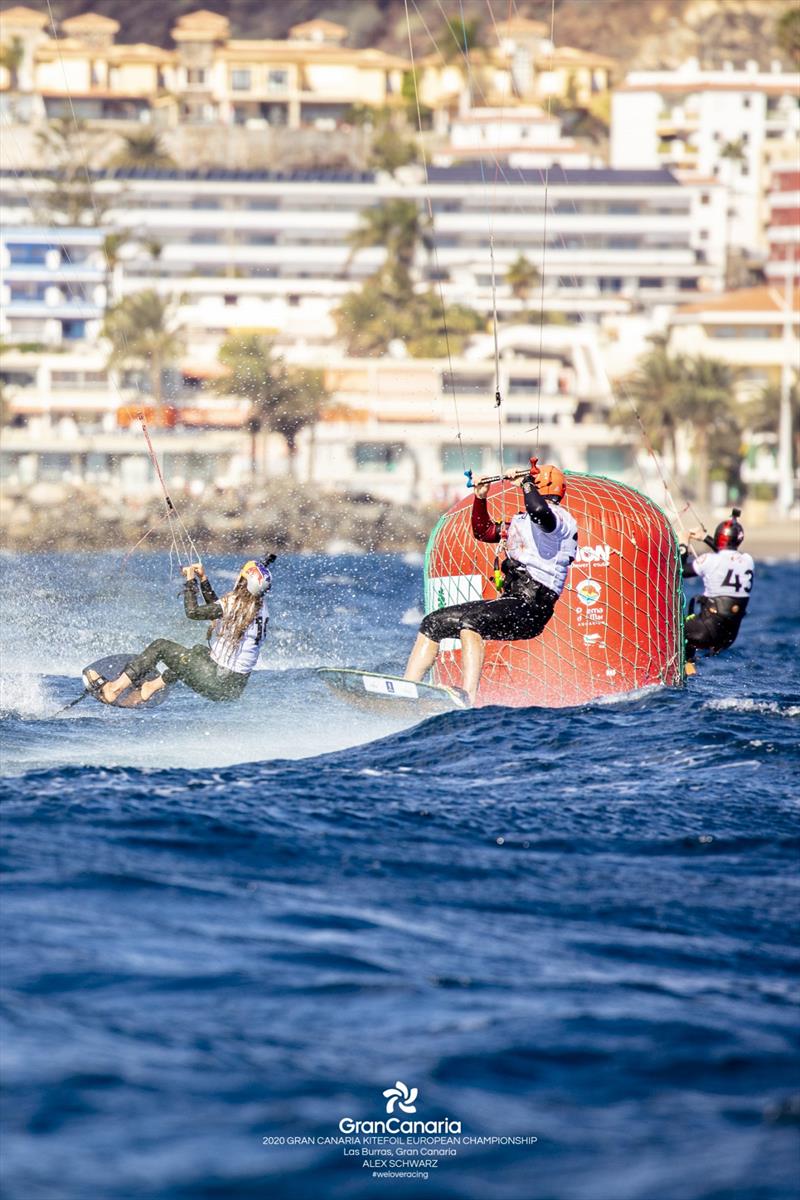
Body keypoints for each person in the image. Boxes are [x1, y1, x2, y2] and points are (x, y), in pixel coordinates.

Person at [404, 460, 578, 705]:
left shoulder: (561, 521)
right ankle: (407, 691)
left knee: (472, 622)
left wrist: (525, 483)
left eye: (532, 483)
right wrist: (480, 497)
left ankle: (468, 695)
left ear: (540, 486)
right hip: (512, 601)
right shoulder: (521, 522)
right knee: (432, 623)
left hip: (532, 608)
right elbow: (483, 531)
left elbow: (541, 513)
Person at [85, 556, 275, 706]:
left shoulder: (236, 604)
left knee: (161, 646)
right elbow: (217, 612)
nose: (237, 580)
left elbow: (193, 612)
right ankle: (149, 688)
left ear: (245, 583)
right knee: (197, 652)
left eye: (241, 577)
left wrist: (190, 581)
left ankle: (114, 690)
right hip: (233, 688)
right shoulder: (260, 608)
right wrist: (204, 580)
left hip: (217, 680)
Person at [680, 508, 753, 675]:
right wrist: (704, 538)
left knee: (672, 627)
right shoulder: (748, 561)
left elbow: (680, 570)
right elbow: (727, 554)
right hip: (729, 636)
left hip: (706, 630)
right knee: (691, 629)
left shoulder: (710, 560)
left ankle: (681, 666)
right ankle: (688, 666)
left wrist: (683, 542)